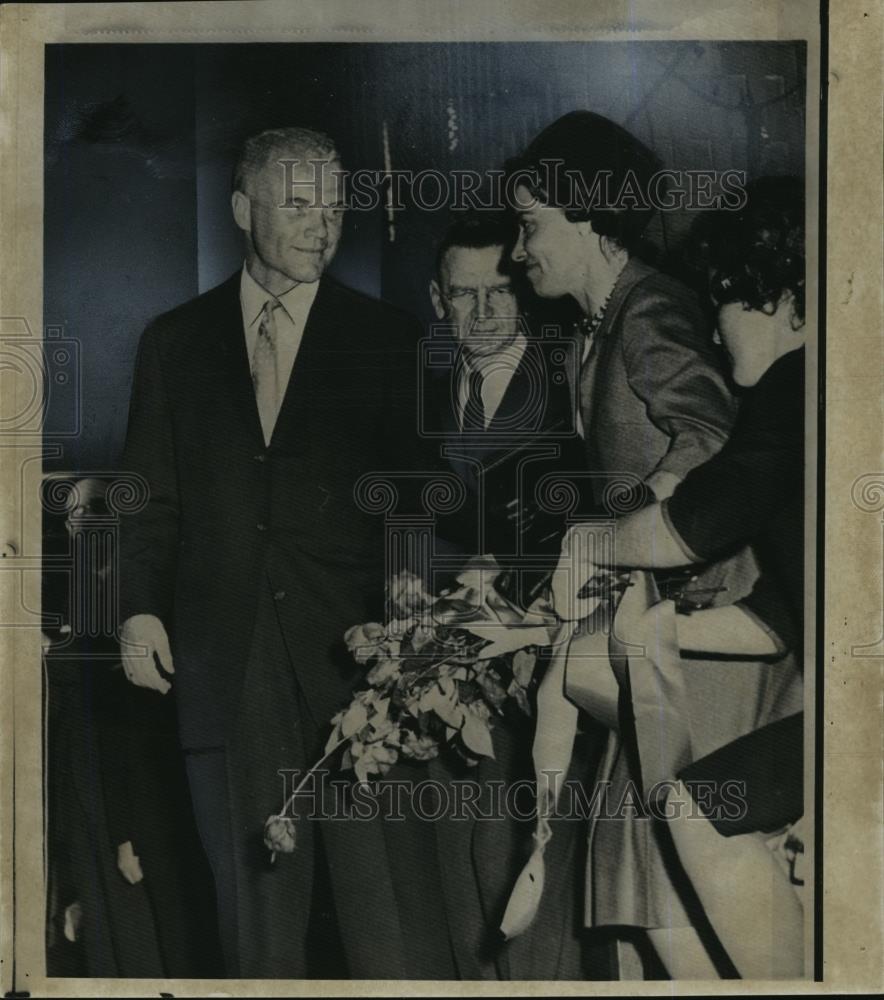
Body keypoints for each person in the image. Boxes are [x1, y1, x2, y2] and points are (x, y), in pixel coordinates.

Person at [119, 126, 425, 978]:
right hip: (226, 663)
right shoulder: (173, 343)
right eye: (296, 205)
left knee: (380, 911)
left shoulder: (388, 339)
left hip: (358, 661)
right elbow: (148, 496)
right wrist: (138, 609)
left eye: (332, 208)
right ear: (241, 209)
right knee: (253, 920)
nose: (320, 226)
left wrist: (408, 608)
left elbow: (421, 492)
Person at [505, 110, 774, 978]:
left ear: (588, 216)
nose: (518, 250)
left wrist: (613, 542)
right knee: (636, 890)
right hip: (654, 643)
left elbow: (710, 439)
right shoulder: (598, 329)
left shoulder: (650, 307)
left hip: (706, 637)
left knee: (664, 885)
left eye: (531, 223)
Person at [558, 177, 807, 978]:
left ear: (790, 303)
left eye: (731, 303)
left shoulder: (794, 388)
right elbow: (785, 613)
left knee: (693, 807)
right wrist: (667, 627)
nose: (718, 329)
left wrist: (594, 547)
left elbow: (691, 523)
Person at [413, 212, 600, 979]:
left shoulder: (571, 377)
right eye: (465, 296)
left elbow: (592, 513)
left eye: (500, 292)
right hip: (449, 660)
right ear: (437, 299)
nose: (485, 314)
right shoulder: (418, 383)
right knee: (455, 855)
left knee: (533, 849)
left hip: (550, 653)